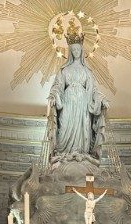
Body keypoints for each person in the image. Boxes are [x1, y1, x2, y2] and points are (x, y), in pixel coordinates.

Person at [47, 32, 108, 161]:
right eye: (73, 49)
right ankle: (64, 152)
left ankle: (80, 152)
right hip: (68, 101)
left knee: (82, 127)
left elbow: (93, 89)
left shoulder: (87, 71)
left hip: (83, 103)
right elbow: (58, 85)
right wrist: (53, 95)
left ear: (81, 51)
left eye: (78, 49)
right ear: (70, 51)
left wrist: (101, 99)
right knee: (64, 125)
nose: (75, 52)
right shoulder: (64, 69)